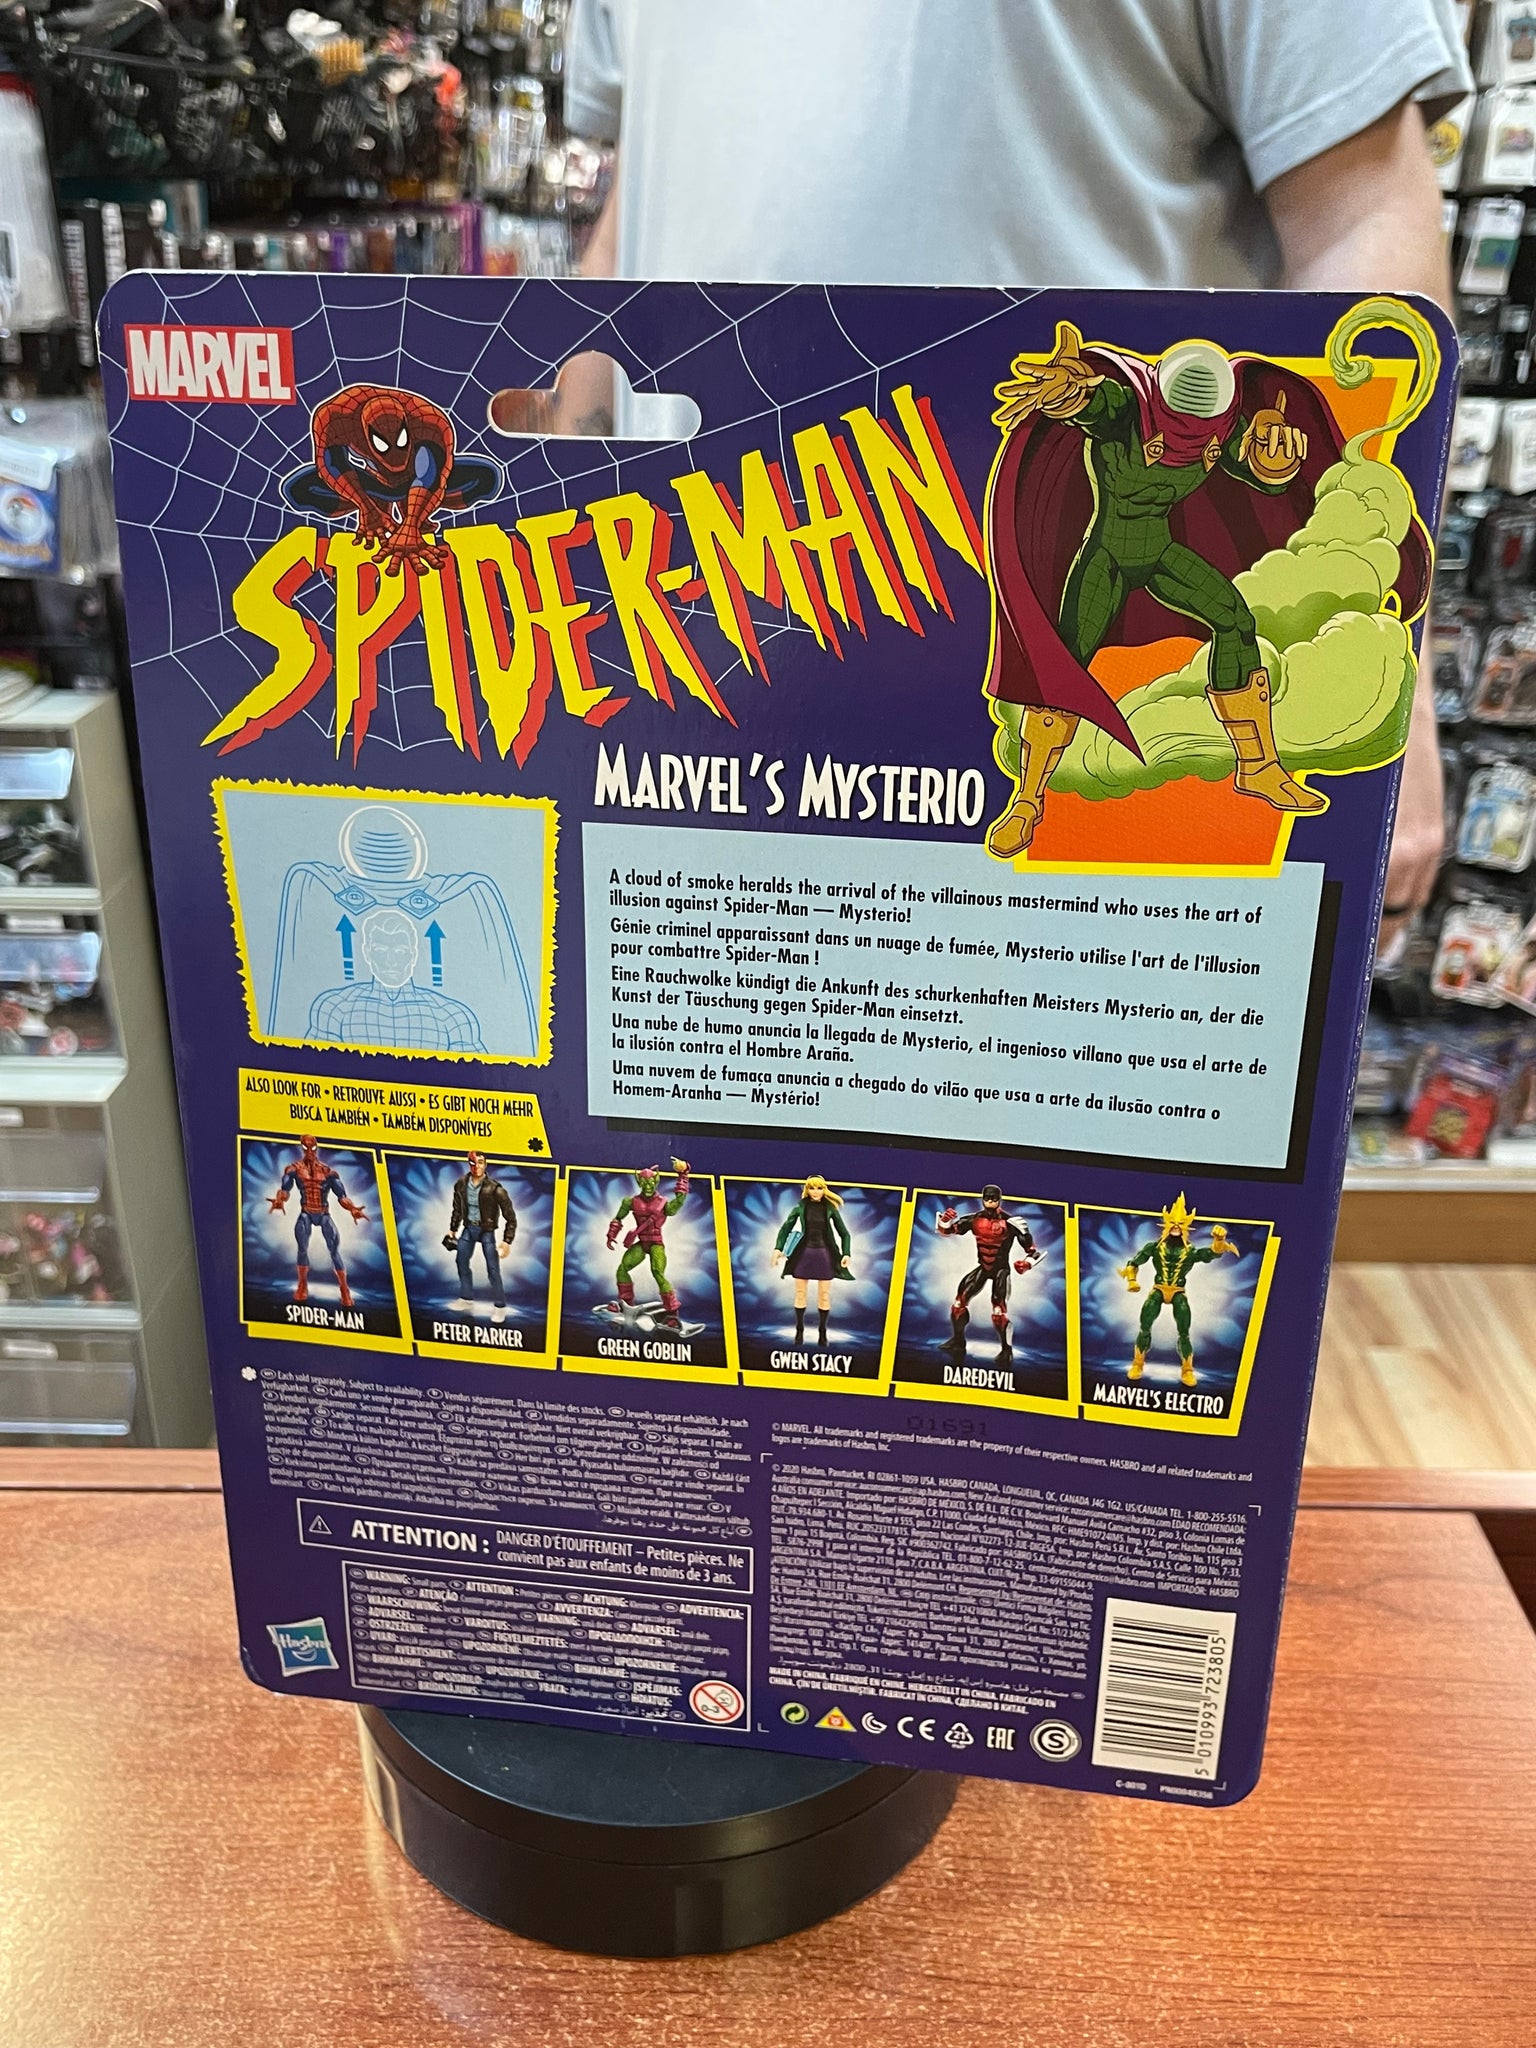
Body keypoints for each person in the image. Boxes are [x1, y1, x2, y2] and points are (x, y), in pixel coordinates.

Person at [564, 0, 1472, 941]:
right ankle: (1031, 793)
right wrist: (551, 518)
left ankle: (1232, 766)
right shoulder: (1122, 413)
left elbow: (1362, 210)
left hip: (1019, 695)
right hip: (698, 620)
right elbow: (642, 197)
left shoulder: (1198, 429)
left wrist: (1390, 669)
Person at [772, 1175, 853, 1347]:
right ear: (807, 1190)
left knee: (824, 1295)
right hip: (804, 1254)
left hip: (823, 1254)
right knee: (800, 1293)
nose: (815, 1192)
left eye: (819, 1188)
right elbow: (786, 1228)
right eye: (812, 1188)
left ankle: (822, 1331)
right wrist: (778, 1249)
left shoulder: (830, 1208)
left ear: (824, 1190)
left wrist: (846, 1253)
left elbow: (844, 1233)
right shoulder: (801, 1206)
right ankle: (799, 1330)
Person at [443, 1150, 517, 1319]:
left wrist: (507, 1241)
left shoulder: (495, 1189)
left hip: (486, 1231)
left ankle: (500, 1306)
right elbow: (457, 1209)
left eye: (480, 1162)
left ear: (485, 1164)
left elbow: (510, 1217)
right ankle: (466, 1298)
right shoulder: (461, 1184)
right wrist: (453, 1229)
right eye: (473, 1163)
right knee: (461, 1261)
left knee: (493, 1269)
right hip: (469, 1228)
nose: (477, 1166)